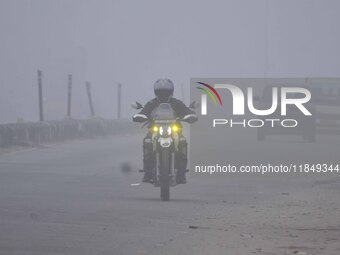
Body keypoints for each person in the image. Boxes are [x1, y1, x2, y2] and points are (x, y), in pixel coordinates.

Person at [133, 78, 197, 184]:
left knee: (182, 141)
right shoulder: (151, 103)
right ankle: (148, 172)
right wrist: (139, 116)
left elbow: (186, 111)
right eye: (160, 92)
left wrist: (191, 115)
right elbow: (144, 112)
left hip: (174, 130)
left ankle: (181, 173)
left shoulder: (177, 103)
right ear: (156, 92)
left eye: (165, 92)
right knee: (147, 141)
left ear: (170, 92)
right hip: (155, 130)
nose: (163, 94)